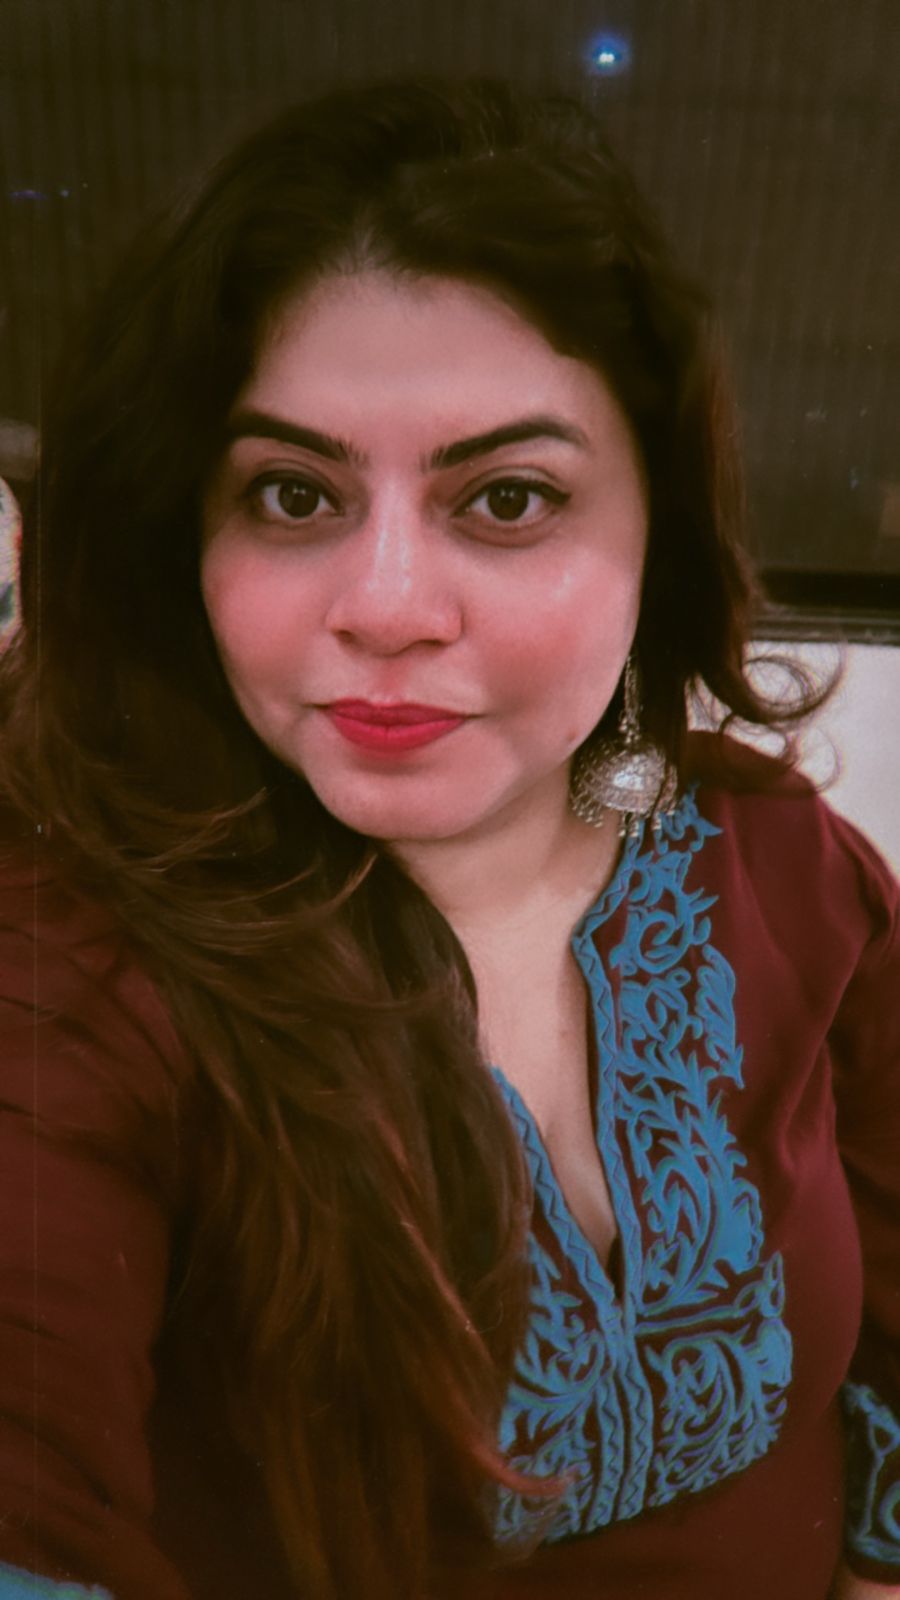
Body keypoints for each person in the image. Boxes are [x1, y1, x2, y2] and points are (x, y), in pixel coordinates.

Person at [0, 76, 897, 1600]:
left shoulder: (775, 855)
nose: (388, 607)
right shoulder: (74, 971)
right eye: (293, 494)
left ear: (659, 525)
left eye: (509, 498)